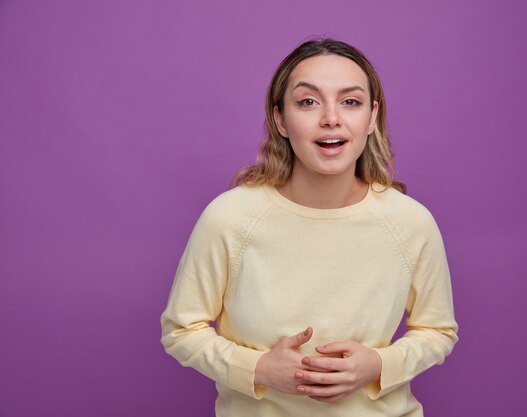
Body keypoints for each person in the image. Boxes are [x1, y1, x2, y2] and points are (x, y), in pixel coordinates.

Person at [160, 37, 459, 417]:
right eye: (308, 102)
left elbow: (438, 331)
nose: (331, 117)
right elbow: (181, 329)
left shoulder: (411, 222)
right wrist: (259, 369)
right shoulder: (230, 217)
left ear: (371, 117)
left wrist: (378, 366)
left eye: (350, 102)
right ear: (281, 120)